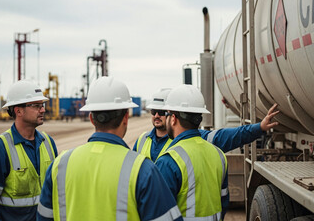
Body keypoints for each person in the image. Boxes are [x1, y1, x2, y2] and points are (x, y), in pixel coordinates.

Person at [37, 77, 182, 221]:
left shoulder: (60, 165)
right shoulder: (142, 169)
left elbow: (43, 217)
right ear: (125, 117)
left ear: (92, 118)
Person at [0, 80, 58, 221]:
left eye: (43, 105)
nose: (43, 110)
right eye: (36, 106)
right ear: (18, 110)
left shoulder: (48, 142)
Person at [133, 88, 279, 162]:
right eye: (153, 111)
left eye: (160, 111)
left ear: (172, 114)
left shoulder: (195, 138)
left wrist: (259, 127)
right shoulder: (141, 141)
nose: (156, 115)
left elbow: (230, 136)